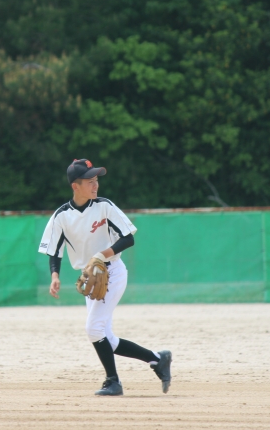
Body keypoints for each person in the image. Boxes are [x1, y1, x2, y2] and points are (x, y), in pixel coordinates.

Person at [38, 158, 172, 396]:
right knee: (105, 337)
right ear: (75, 186)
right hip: (91, 277)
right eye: (89, 181)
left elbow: (128, 238)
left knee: (93, 328)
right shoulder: (61, 216)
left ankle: (113, 382)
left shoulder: (104, 207)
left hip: (112, 272)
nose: (95, 184)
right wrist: (54, 276)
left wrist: (101, 255)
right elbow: (54, 250)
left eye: (96, 179)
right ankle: (157, 359)